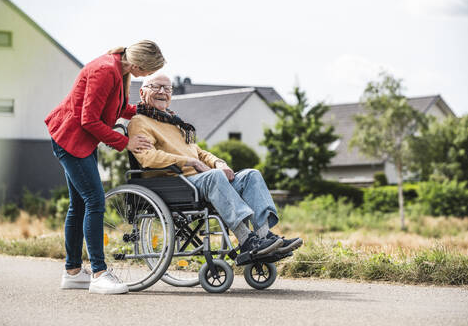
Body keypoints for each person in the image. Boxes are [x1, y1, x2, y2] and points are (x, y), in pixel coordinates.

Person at [128, 74, 303, 259]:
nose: (162, 92)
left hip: (199, 181)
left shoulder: (173, 122)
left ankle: (264, 238)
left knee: (251, 175)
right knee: (214, 177)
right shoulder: (139, 122)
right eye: (156, 87)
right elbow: (148, 158)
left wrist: (219, 163)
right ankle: (247, 241)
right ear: (142, 92)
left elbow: (199, 152)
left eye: (167, 89)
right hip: (175, 183)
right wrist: (191, 162)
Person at [45, 40, 165, 295]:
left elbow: (117, 109)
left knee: (79, 205)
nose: (146, 77)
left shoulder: (119, 71)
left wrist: (147, 111)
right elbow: (88, 119)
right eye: (147, 72)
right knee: (95, 202)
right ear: (137, 64)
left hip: (80, 142)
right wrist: (126, 142)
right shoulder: (105, 71)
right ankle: (99, 274)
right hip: (71, 139)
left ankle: (73, 272)